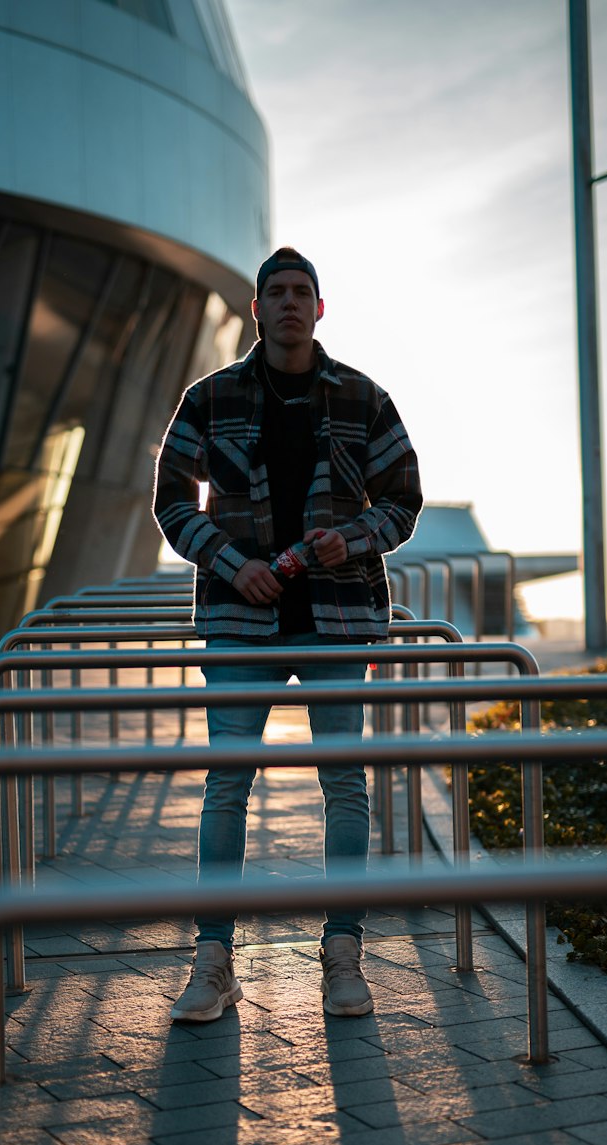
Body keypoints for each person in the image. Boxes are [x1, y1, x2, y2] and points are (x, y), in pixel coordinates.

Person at [153, 247, 422, 1023]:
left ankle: (343, 953)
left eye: (304, 291)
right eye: (278, 292)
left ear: (320, 308)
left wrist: (358, 537)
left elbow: (404, 499)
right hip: (240, 618)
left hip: (339, 619)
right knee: (226, 781)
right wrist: (234, 565)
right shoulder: (209, 398)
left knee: (344, 784)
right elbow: (172, 503)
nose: (292, 302)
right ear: (258, 311)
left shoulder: (366, 399)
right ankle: (213, 961)